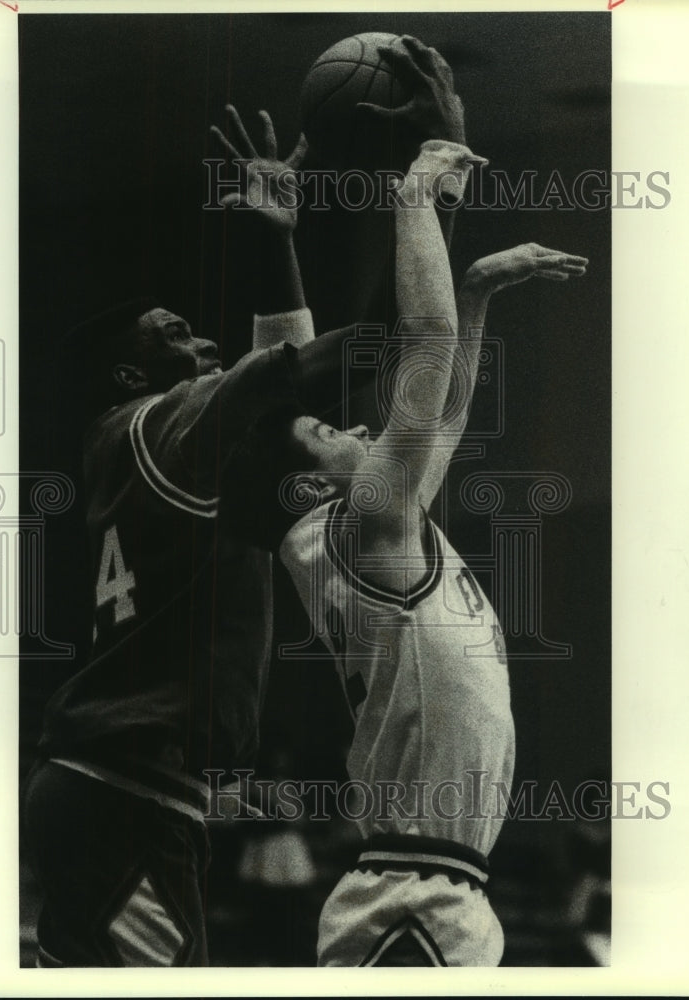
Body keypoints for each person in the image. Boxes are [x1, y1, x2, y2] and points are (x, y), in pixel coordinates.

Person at [22, 109, 377, 968]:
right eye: (175, 335)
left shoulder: (145, 443)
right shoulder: (159, 424)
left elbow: (283, 409)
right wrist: (428, 275)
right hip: (123, 790)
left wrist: (273, 240)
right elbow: (323, 365)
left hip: (122, 787)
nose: (207, 342)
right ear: (129, 373)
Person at [222, 140, 588, 966]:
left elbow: (445, 408)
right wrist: (413, 193)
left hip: (424, 886)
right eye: (329, 434)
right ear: (313, 490)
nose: (354, 426)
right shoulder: (365, 529)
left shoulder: (365, 530)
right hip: (415, 891)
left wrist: (477, 289)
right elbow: (425, 342)